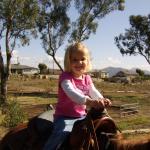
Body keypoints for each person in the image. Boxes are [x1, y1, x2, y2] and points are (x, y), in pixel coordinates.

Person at [43, 42, 112, 150]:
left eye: (82, 59)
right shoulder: (65, 77)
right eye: (74, 60)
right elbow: (72, 93)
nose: (79, 62)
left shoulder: (87, 78)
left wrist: (101, 99)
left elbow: (93, 91)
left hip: (82, 116)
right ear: (68, 61)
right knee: (61, 133)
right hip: (64, 117)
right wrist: (89, 101)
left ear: (87, 61)